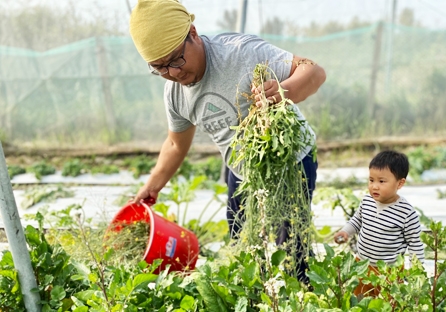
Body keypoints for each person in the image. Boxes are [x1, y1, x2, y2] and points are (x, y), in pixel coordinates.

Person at [128, 0, 325, 281]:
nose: (173, 73)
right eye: (160, 68)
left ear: (193, 34)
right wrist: (152, 185)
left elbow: (314, 71)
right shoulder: (174, 93)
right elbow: (175, 144)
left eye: (176, 59)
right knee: (240, 244)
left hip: (291, 159)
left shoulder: (241, 54)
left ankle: (299, 292)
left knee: (292, 245)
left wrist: (284, 90)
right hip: (241, 167)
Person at [334, 150, 425, 297]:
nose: (374, 186)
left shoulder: (406, 212)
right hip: (362, 265)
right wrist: (345, 232)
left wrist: (416, 272)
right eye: (371, 180)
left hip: (389, 271)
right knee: (359, 300)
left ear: (400, 183)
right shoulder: (367, 201)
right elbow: (357, 220)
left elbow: (415, 244)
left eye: (381, 181)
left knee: (388, 304)